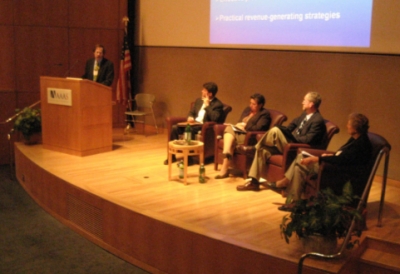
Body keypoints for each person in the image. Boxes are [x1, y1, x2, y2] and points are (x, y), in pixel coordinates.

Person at [276, 113, 372, 211]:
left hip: (336, 171)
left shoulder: (361, 144)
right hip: (335, 164)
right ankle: (289, 185)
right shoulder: (356, 138)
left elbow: (343, 161)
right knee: (301, 157)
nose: (347, 126)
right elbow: (344, 156)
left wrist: (318, 159)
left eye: (349, 124)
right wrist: (332, 155)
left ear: (355, 129)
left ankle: (295, 200)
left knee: (300, 166)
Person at [236, 91, 326, 191]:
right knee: (262, 149)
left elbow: (308, 139)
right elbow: (292, 125)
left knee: (275, 130)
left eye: (305, 100)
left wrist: (291, 138)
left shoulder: (318, 120)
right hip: (289, 144)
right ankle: (254, 182)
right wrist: (286, 132)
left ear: (311, 104)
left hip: (296, 148)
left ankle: (254, 148)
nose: (302, 102)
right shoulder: (304, 115)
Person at [164, 82, 224, 165]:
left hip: (203, 126)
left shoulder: (217, 105)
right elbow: (191, 112)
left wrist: (207, 106)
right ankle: (172, 157)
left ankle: (189, 159)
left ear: (210, 94)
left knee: (190, 130)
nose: (201, 91)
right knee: (175, 128)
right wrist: (190, 117)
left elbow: (215, 118)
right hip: (193, 123)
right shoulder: (199, 101)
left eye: (204, 90)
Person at [215, 93, 271, 179]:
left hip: (250, 137)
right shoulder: (247, 110)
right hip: (241, 132)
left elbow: (258, 128)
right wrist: (238, 125)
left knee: (229, 132)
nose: (251, 106)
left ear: (260, 105)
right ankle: (224, 167)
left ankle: (225, 159)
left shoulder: (264, 114)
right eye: (250, 103)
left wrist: (245, 125)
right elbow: (240, 121)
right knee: (230, 130)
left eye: (254, 104)